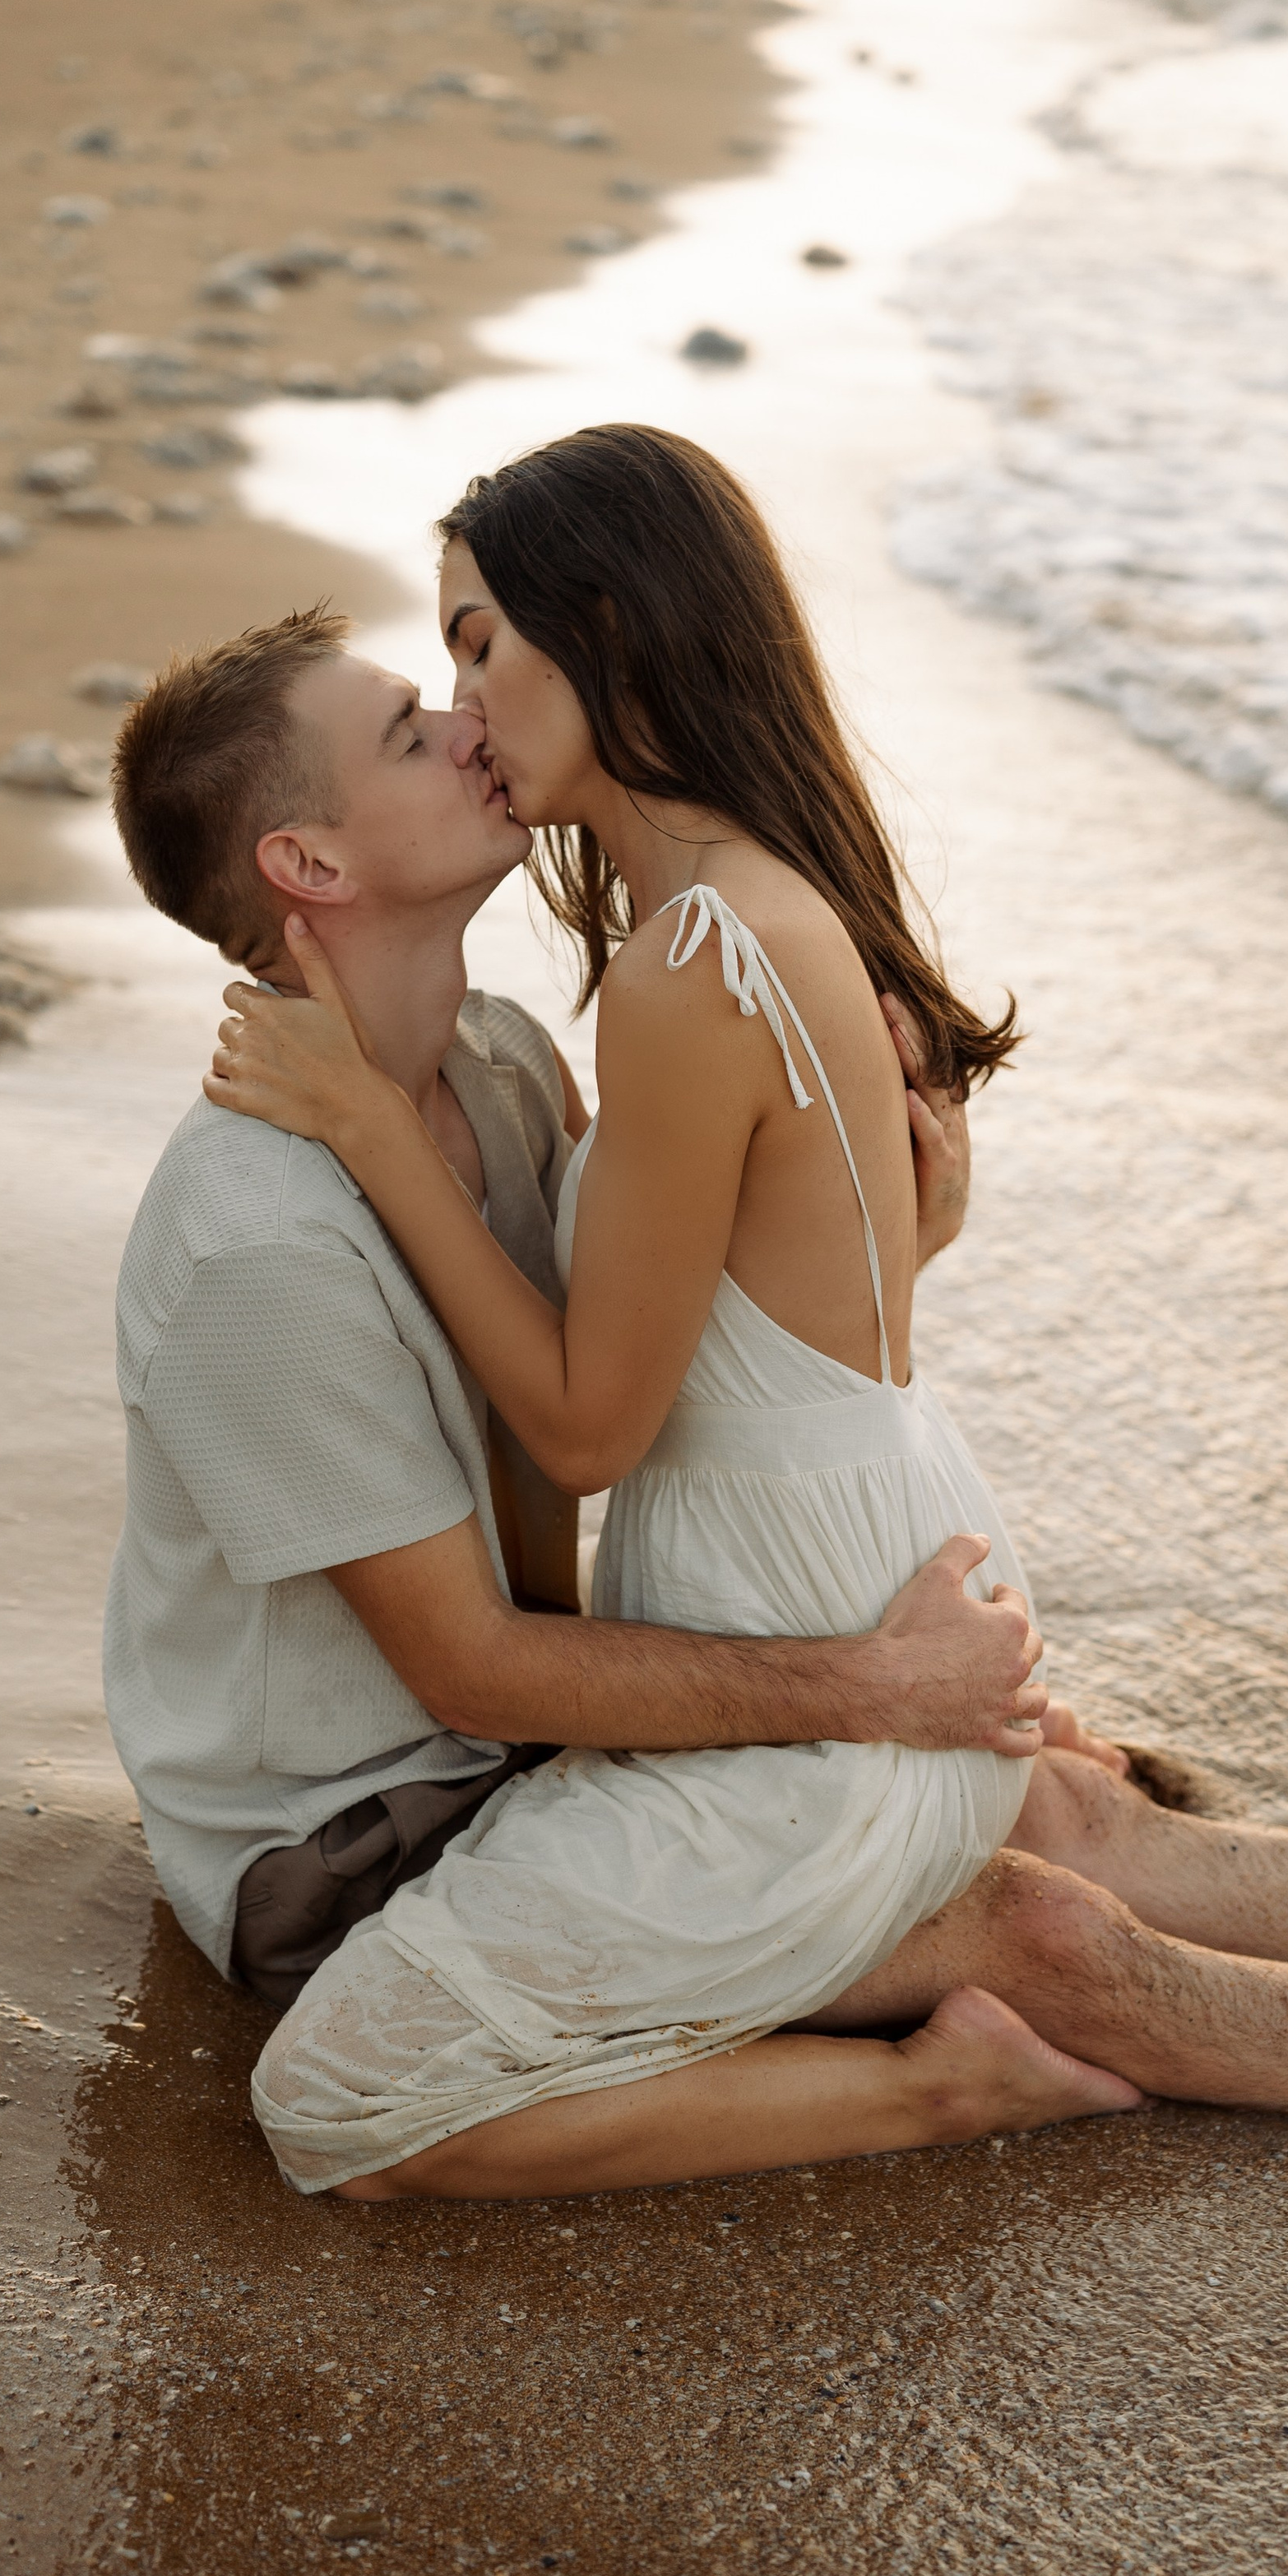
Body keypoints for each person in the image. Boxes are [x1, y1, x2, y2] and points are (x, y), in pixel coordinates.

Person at [206, 424, 1288, 2197]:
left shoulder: (680, 969)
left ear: (605, 624)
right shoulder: (757, 912)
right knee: (1065, 1854)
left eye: (477, 643)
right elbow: (808, 1287)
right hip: (881, 1545)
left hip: (807, 1635)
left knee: (336, 2096)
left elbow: (582, 1428)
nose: (463, 706)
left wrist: (364, 1131)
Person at [104, 600, 1079, 2020]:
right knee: (1031, 1923)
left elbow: (618, 1379)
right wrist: (870, 1689)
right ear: (309, 860)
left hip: (527, 1748)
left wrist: (904, 1247)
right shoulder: (253, 1243)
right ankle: (950, 2084)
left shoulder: (499, 1069)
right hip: (353, 1848)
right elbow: (475, 1676)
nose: (468, 723)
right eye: (409, 731)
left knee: (1061, 1817)